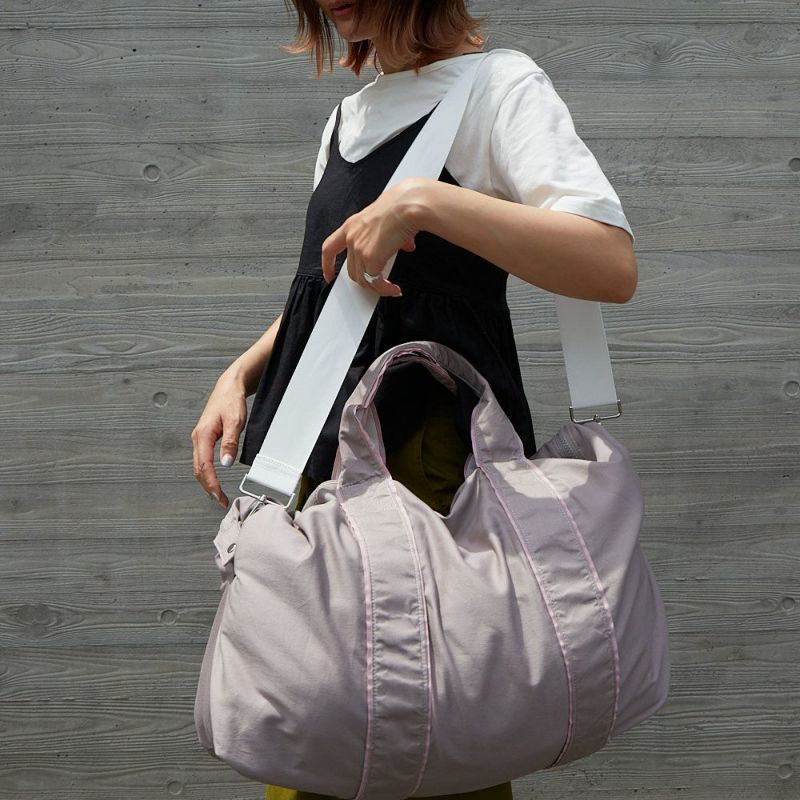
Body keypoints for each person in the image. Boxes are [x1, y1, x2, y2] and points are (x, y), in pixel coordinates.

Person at [191, 1, 638, 798]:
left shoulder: (498, 86)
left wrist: (426, 202)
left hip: (431, 473)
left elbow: (608, 264)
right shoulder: (345, 121)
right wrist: (244, 371)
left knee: (432, 745)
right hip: (318, 470)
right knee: (316, 748)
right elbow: (339, 294)